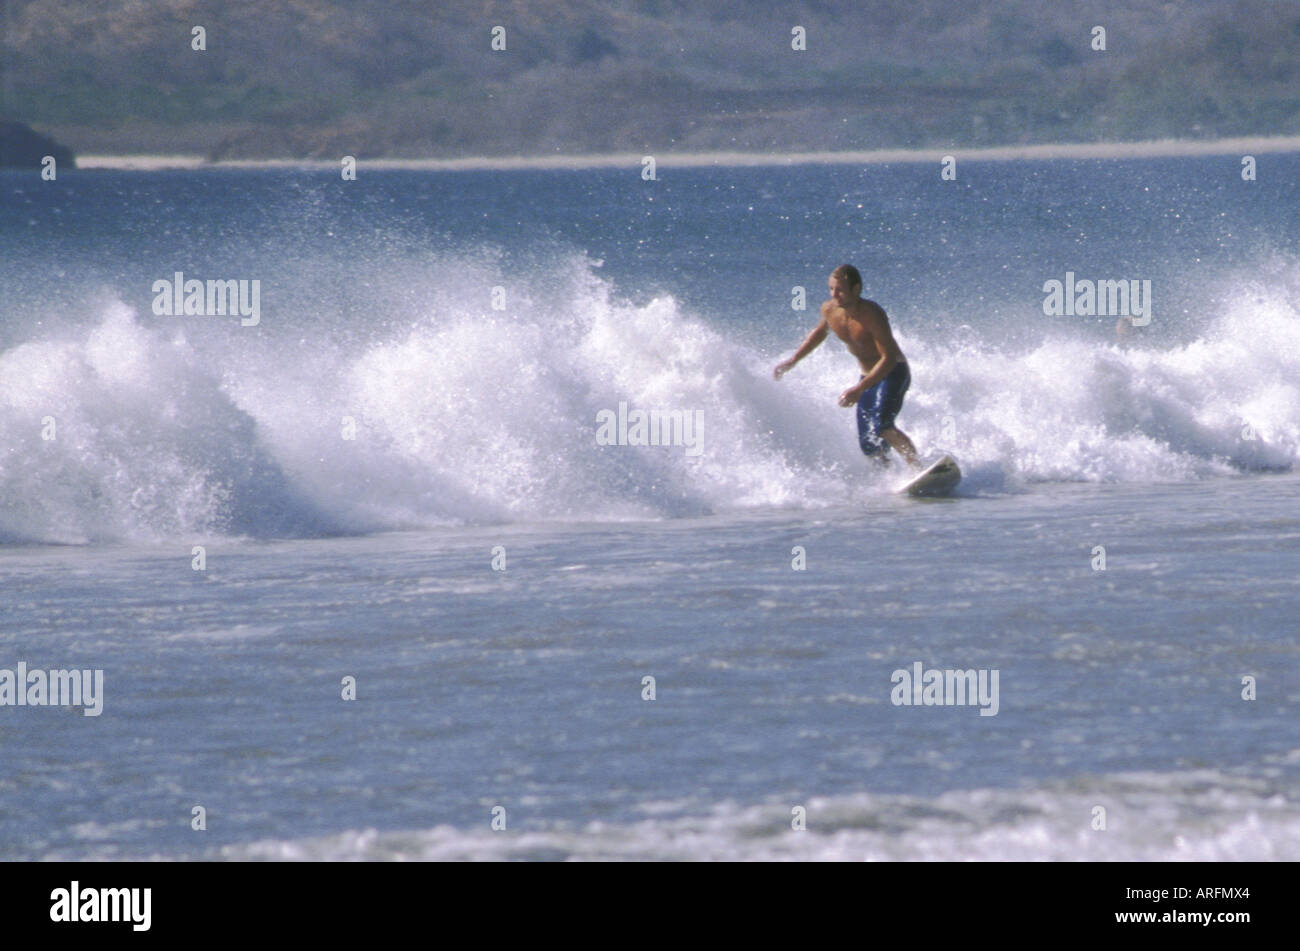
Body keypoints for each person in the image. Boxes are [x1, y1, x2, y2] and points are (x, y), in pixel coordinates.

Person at [773, 264, 920, 468]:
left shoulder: (872, 314)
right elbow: (818, 334)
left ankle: (918, 468)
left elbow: (888, 358)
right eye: (832, 289)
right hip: (867, 377)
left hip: (892, 372)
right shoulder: (830, 309)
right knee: (869, 445)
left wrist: (859, 389)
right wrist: (793, 360)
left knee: (883, 425)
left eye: (840, 289)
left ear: (856, 288)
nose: (835, 294)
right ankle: (891, 477)